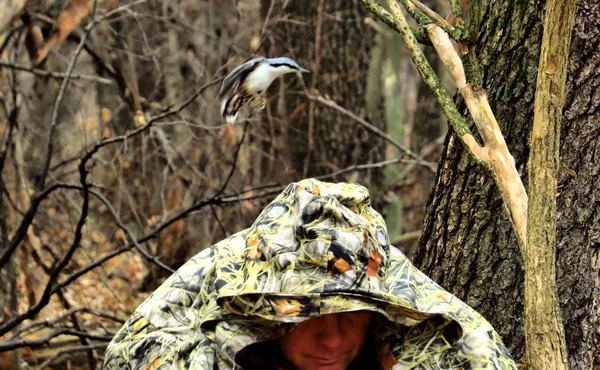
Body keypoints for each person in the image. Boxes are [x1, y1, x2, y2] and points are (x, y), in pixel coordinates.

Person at [103, 179, 517, 369]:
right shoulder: (214, 306)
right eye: (306, 315)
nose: (332, 338)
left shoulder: (425, 324)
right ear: (266, 313)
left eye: (350, 313)